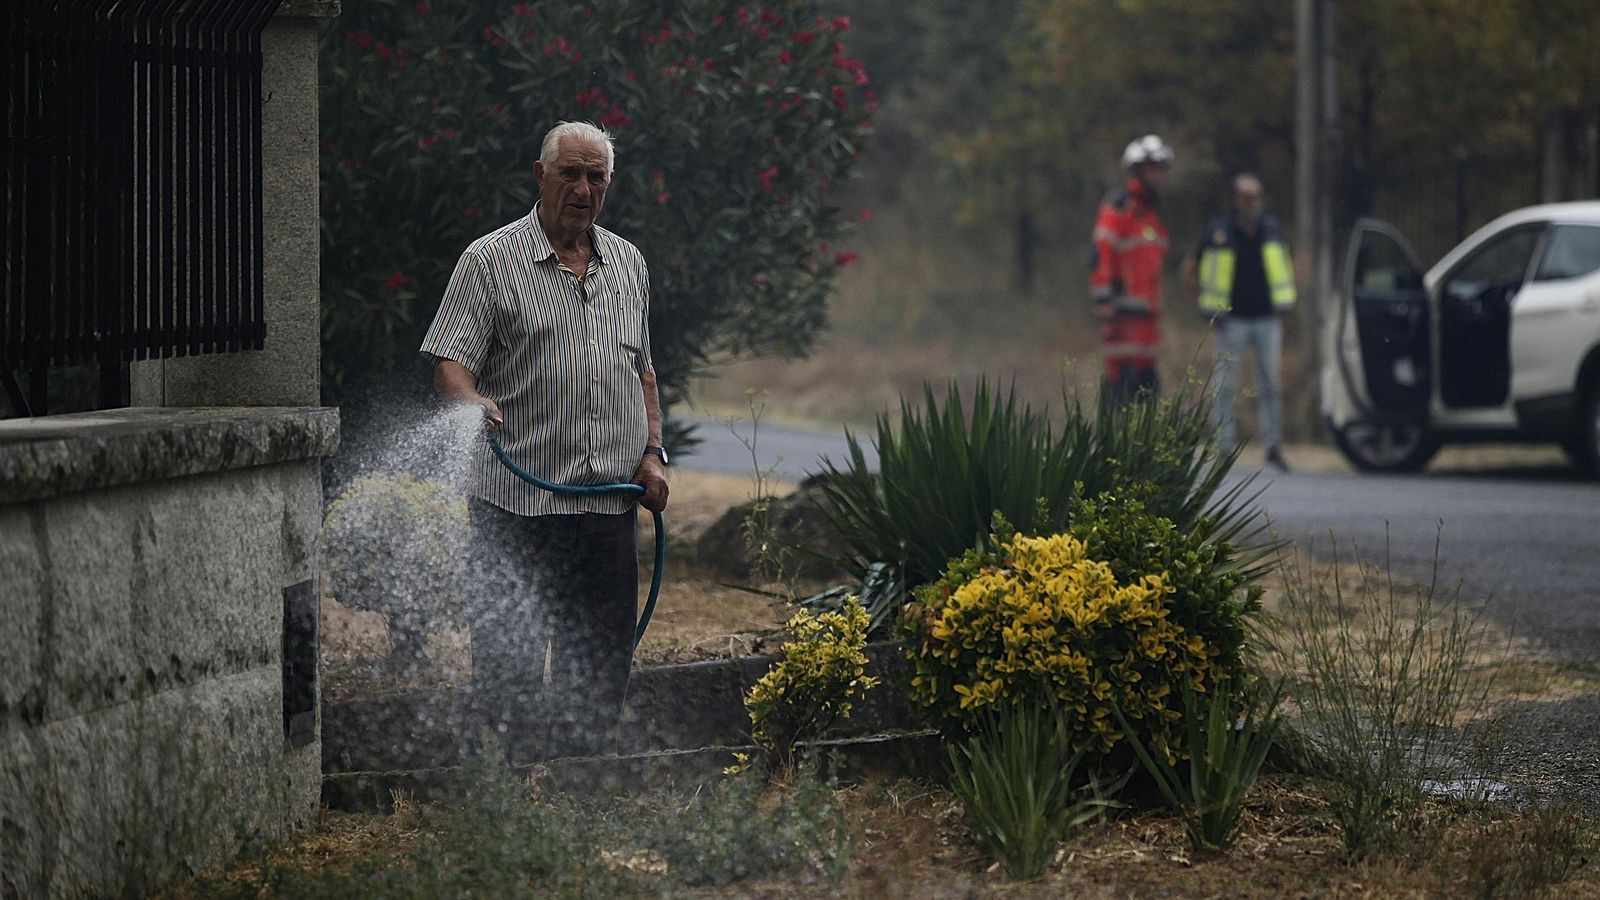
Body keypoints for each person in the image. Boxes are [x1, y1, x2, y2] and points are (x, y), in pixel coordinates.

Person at [419, 120, 669, 760]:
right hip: (516, 510)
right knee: (509, 676)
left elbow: (642, 371)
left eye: (596, 178)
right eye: (571, 174)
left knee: (600, 673)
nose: (583, 189)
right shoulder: (489, 260)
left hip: (606, 509)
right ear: (540, 176)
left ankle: (578, 800)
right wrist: (471, 400)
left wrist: (651, 455)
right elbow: (451, 361)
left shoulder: (630, 264)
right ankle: (512, 804)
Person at [1182, 173, 1296, 471]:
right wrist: (1203, 304)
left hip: (1267, 319)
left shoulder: (1272, 229)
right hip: (1230, 320)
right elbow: (1190, 268)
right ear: (1235, 199)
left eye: (1255, 196)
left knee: (1270, 384)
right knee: (1225, 386)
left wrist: (1286, 302)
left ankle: (1273, 448)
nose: (1251, 203)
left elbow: (1287, 265)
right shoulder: (1219, 230)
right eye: (1246, 197)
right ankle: (1223, 449)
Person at [1089, 134, 1174, 402]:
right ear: (1138, 170)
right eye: (1153, 169)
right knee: (1121, 388)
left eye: (1160, 169)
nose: (1158, 176)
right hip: (1121, 314)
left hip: (1146, 316)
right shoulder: (1119, 208)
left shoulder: (1150, 215)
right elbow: (1101, 254)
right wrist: (1104, 300)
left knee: (1147, 388)